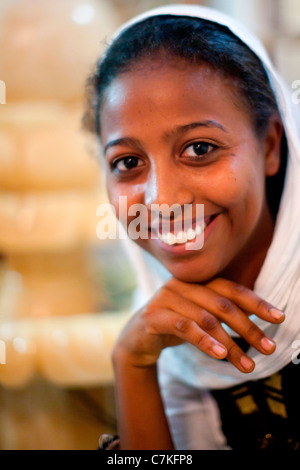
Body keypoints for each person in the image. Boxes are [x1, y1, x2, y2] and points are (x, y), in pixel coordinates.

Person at [84, 4, 300, 450]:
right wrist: (132, 365)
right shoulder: (159, 334)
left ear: (271, 147)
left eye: (199, 148)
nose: (161, 200)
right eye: (127, 162)